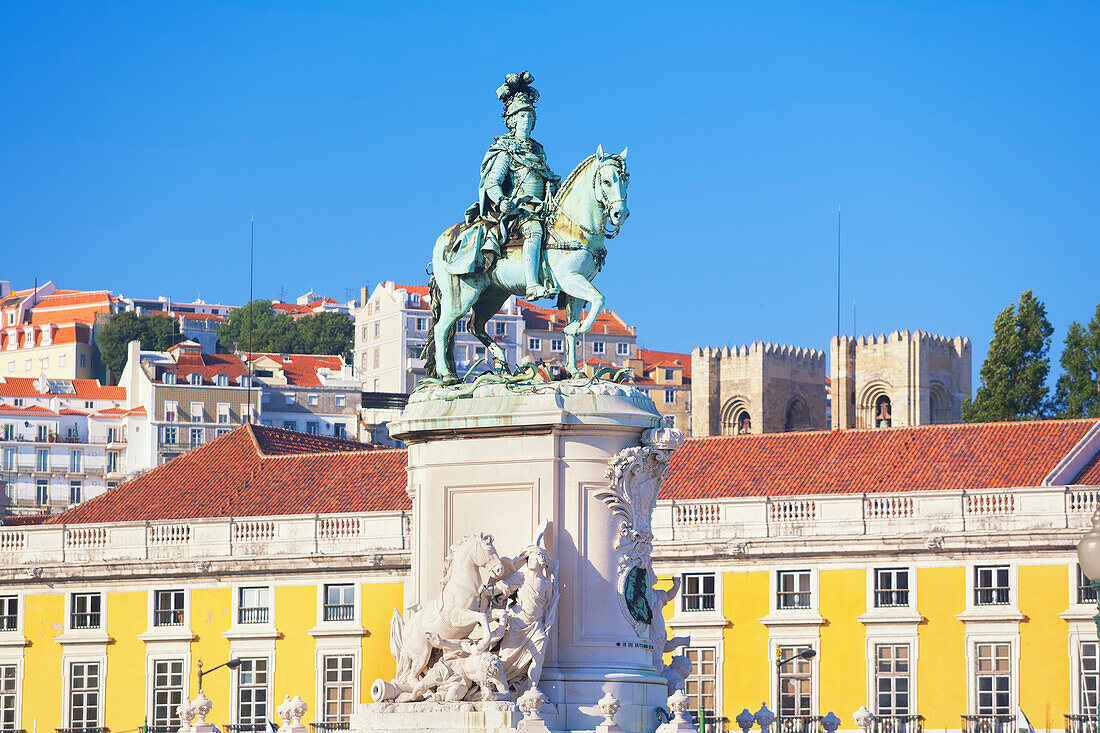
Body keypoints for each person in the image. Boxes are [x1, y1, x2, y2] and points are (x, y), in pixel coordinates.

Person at [475, 71, 560, 300]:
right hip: (518, 209)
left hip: (543, 206)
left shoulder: (537, 150)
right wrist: (502, 200)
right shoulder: (506, 149)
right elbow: (493, 182)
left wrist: (551, 184)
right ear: (512, 120)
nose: (527, 121)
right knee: (534, 229)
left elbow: (544, 176)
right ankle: (532, 284)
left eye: (530, 117)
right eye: (522, 117)